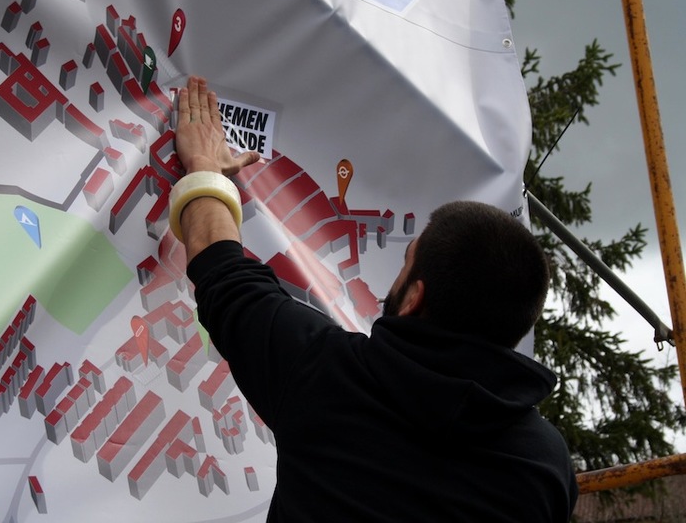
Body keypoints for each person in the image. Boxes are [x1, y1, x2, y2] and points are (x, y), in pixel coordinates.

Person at [169, 76, 579, 521]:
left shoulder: (327, 376)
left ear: (414, 298)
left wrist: (204, 165)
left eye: (406, 263)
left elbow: (225, 274)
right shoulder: (545, 467)